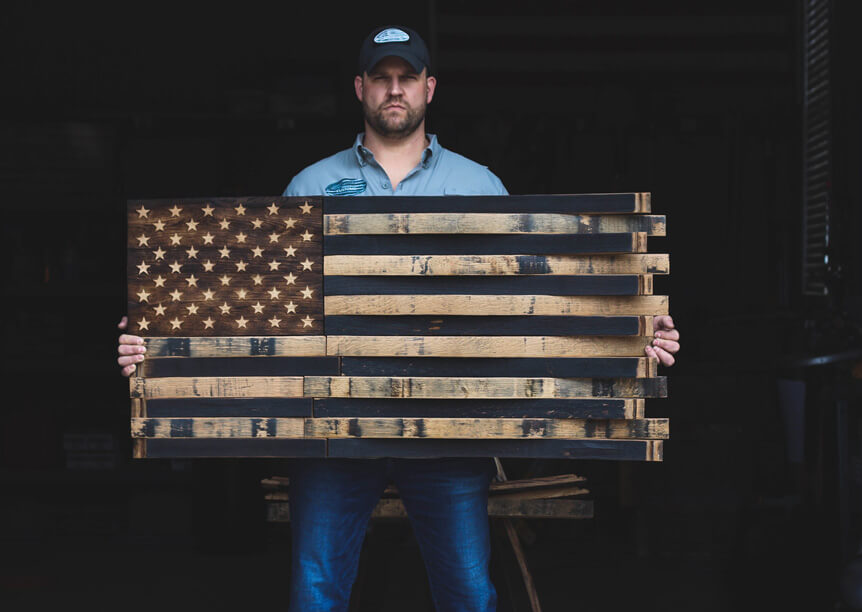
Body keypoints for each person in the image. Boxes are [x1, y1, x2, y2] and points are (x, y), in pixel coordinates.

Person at [116, 24, 680, 612]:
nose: (394, 89)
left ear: (428, 88)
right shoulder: (310, 185)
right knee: (315, 595)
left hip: (450, 431)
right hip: (332, 436)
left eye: (407, 77)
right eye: (381, 77)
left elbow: (530, 304)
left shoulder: (480, 186)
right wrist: (155, 341)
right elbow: (264, 308)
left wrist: (633, 332)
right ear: (359, 87)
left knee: (468, 595)